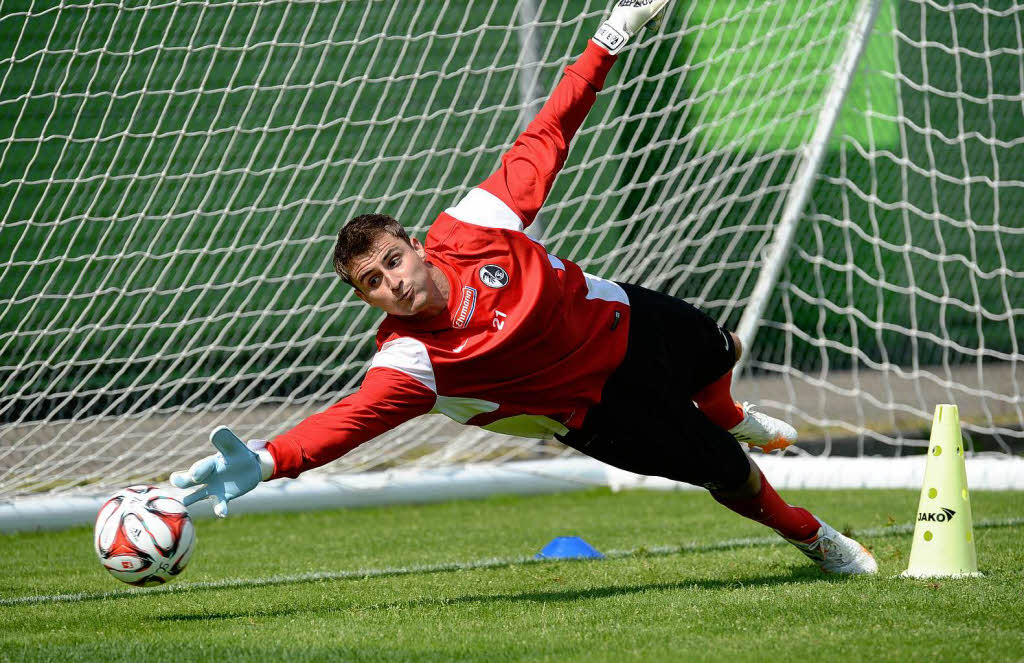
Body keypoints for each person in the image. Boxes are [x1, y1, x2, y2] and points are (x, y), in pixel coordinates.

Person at [171, 0, 877, 575]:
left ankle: (723, 407)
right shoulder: (411, 362)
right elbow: (343, 426)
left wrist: (611, 33)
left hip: (623, 316)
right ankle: (815, 536)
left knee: (725, 347)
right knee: (732, 475)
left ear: (417, 243)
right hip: (600, 409)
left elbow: (549, 132)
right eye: (373, 282)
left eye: (392, 259)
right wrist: (266, 459)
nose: (393, 281)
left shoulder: (475, 224)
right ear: (368, 301)